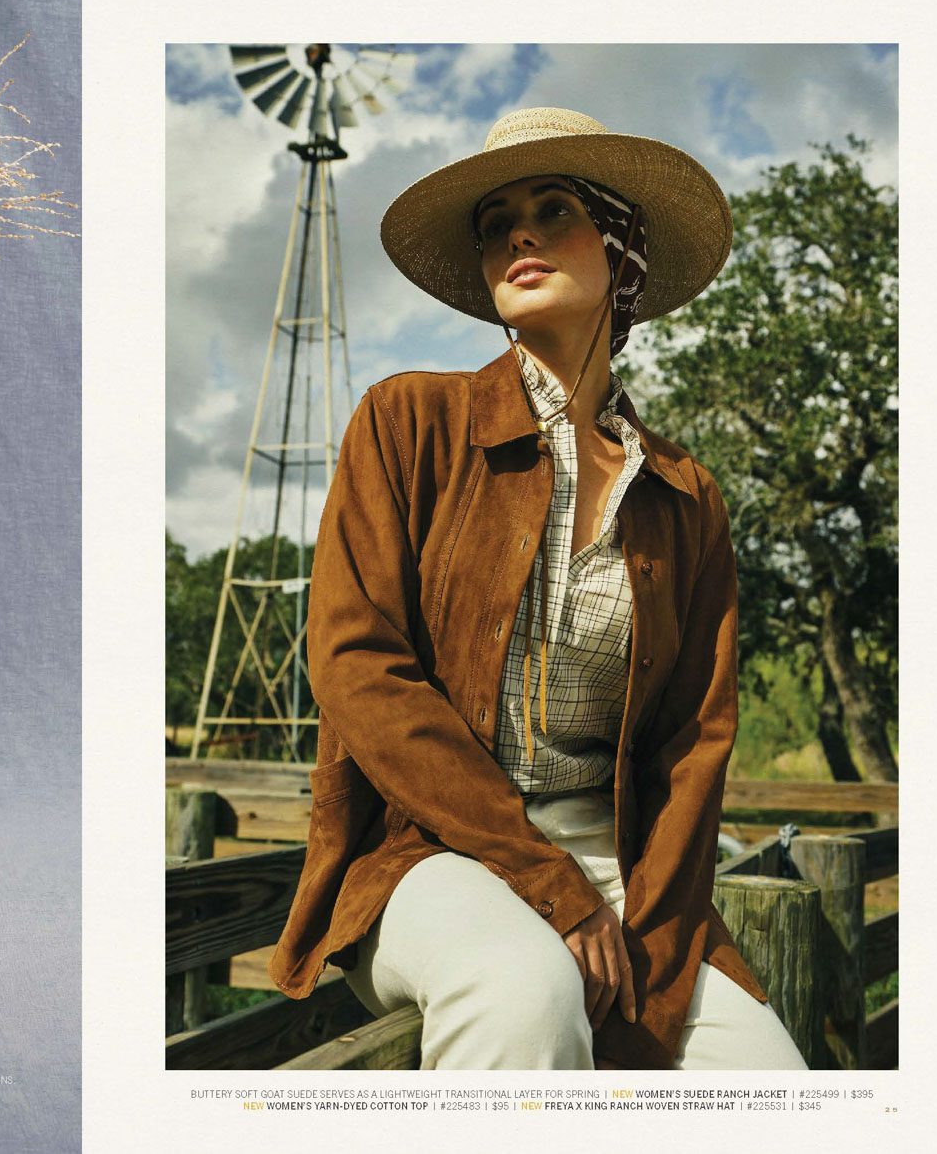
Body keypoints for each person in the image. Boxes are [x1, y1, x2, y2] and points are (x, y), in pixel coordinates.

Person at [266, 107, 808, 1071]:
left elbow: (695, 740)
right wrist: (550, 887)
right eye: (496, 223)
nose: (519, 234)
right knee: (521, 988)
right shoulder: (406, 422)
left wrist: (652, 951)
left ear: (622, 248)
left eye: (555, 209)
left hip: (618, 867)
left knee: (770, 1079)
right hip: (425, 850)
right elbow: (356, 666)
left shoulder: (685, 495)